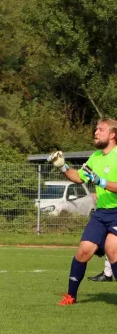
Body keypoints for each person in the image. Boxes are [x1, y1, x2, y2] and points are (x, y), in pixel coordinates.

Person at [49, 118, 117, 305]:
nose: (95, 132)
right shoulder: (95, 157)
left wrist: (100, 181)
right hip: (101, 213)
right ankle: (71, 296)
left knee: (113, 249)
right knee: (83, 251)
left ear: (112, 134)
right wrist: (62, 166)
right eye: (95, 129)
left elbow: (100, 181)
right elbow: (79, 178)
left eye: (100, 129)